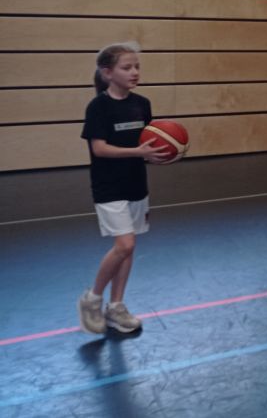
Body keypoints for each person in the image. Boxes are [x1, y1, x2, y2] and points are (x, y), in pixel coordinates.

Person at [77, 43, 172, 335]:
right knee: (125, 245)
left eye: (137, 67)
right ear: (107, 73)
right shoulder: (99, 107)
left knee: (129, 249)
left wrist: (160, 153)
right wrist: (138, 152)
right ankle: (92, 299)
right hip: (109, 187)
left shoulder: (142, 103)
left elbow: (148, 142)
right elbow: (99, 148)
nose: (134, 72)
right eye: (127, 67)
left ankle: (116, 306)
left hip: (136, 184)